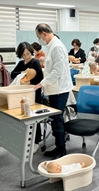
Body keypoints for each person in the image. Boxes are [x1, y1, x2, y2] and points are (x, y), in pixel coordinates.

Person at [34, 23, 73, 159]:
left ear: (44, 33)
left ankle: (61, 149)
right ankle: (58, 146)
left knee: (57, 119)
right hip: (54, 88)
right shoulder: (51, 46)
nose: (40, 40)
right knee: (56, 119)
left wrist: (42, 83)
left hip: (60, 89)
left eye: (39, 36)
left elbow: (58, 71)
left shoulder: (56, 46)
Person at [11, 42, 44, 153]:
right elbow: (13, 74)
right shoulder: (21, 63)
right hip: (23, 94)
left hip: (34, 94)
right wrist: (22, 73)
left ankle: (36, 142)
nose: (26, 57)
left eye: (28, 54)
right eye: (24, 55)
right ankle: (27, 140)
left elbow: (39, 78)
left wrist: (28, 79)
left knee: (34, 118)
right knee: (25, 117)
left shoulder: (35, 62)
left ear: (31, 52)